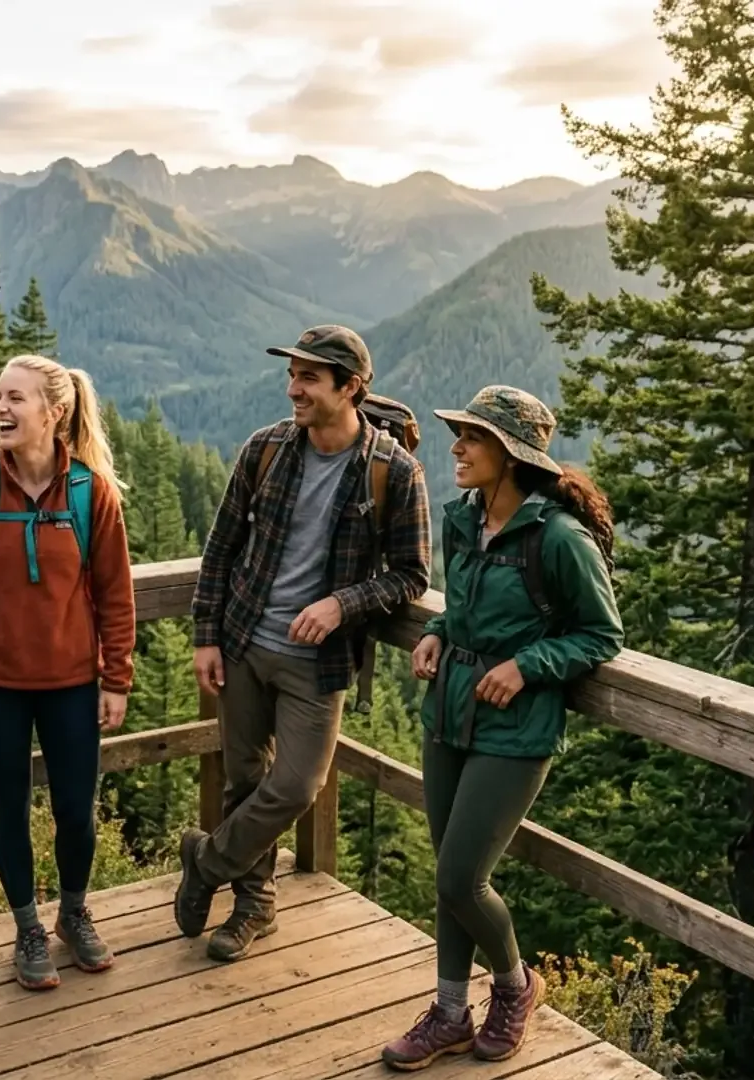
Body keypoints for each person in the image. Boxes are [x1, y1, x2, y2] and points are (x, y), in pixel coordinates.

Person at [379, 386, 623, 1071]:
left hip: (516, 730)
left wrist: (529, 664)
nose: (456, 447)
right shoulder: (464, 520)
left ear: (511, 456)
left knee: (462, 878)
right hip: (449, 711)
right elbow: (464, 606)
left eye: (473, 438)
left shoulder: (560, 539)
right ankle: (450, 1014)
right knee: (447, 878)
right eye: (460, 434)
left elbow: (602, 635)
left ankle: (514, 988)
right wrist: (434, 630)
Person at [177, 325, 430, 962]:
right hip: (241, 642)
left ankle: (205, 862)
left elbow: (412, 575)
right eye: (292, 375)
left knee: (295, 786)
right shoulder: (265, 449)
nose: (294, 389)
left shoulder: (392, 471)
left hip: (319, 664)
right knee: (244, 782)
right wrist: (206, 636)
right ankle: (253, 907)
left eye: (309, 378)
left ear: (351, 388)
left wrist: (342, 603)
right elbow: (221, 548)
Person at [0, 354, 137, 991]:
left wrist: (116, 677)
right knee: (9, 809)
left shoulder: (90, 491)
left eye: (15, 399)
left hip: (74, 684)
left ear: (55, 412)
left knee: (77, 811)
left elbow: (114, 593)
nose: (0, 409)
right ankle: (27, 927)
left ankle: (73, 913)